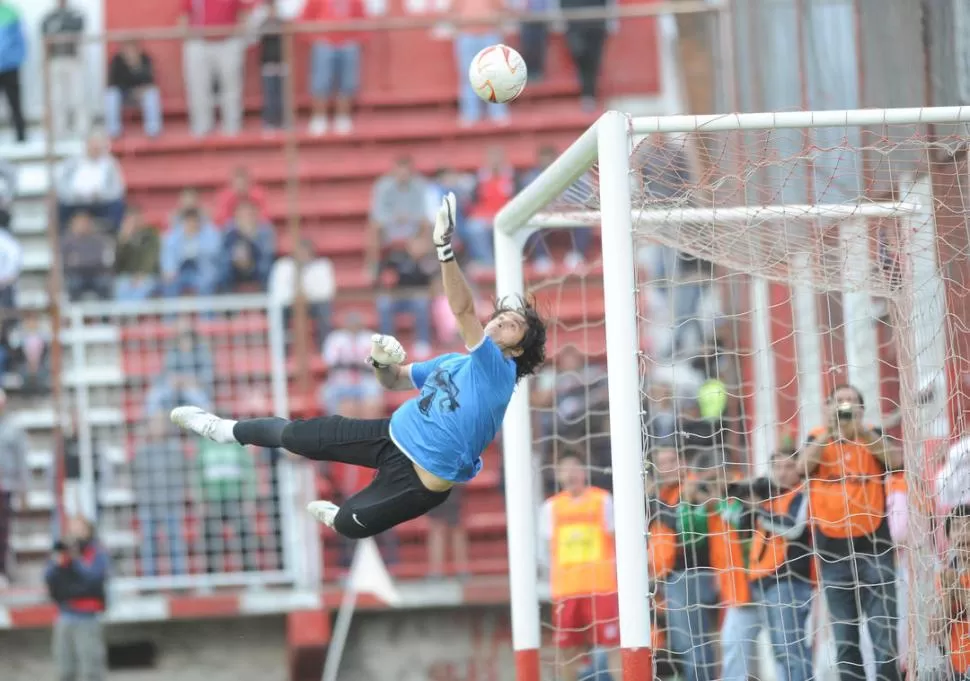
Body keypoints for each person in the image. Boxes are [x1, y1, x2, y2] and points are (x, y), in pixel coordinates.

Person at [171, 193, 546, 538]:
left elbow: (463, 310)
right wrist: (381, 362)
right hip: (390, 434)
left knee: (350, 523)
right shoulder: (454, 362)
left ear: (516, 350)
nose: (498, 322)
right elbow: (394, 381)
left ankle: (338, 516)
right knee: (296, 437)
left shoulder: (500, 372)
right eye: (502, 316)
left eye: (512, 325)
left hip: (419, 481)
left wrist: (444, 249)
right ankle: (222, 428)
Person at [799, 384, 903, 681]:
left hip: (875, 548)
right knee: (844, 638)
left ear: (862, 408)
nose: (844, 407)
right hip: (833, 553)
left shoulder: (873, 433)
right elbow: (800, 468)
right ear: (827, 407)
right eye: (839, 402)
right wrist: (831, 433)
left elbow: (896, 462)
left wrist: (861, 432)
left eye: (851, 402)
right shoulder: (817, 438)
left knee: (884, 636)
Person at [539, 454, 621, 681]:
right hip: (567, 590)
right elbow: (546, 550)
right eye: (565, 469)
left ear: (584, 471)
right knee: (567, 650)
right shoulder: (551, 507)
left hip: (601, 586)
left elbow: (615, 539)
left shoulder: (602, 500)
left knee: (613, 645)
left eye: (575, 467)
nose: (571, 473)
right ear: (557, 474)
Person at [45, 516, 109, 681]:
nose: (75, 532)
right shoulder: (63, 552)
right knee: (64, 668)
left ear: (88, 530)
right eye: (72, 528)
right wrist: (59, 561)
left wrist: (76, 559)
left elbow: (93, 578)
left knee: (91, 669)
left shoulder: (97, 552)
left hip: (87, 615)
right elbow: (49, 577)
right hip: (65, 613)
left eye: (79, 528)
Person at [41, 0, 87, 139]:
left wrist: (60, 26)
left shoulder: (75, 14)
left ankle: (81, 130)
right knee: (57, 98)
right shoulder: (49, 16)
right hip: (55, 61)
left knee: (78, 96)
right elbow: (45, 32)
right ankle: (58, 131)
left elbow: (76, 27)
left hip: (72, 59)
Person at [104, 39, 162, 139]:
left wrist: (136, 67)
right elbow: (113, 82)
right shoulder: (116, 61)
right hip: (123, 94)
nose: (130, 52)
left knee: (152, 93)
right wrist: (130, 90)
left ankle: (153, 130)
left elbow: (150, 81)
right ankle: (113, 132)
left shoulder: (145, 59)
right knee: (111, 95)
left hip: (140, 95)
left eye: (132, 49)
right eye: (127, 49)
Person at [0, 2, 26, 144]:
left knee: (14, 102)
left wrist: (15, 59)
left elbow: (20, 40)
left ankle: (21, 136)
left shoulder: (11, 13)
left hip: (9, 66)